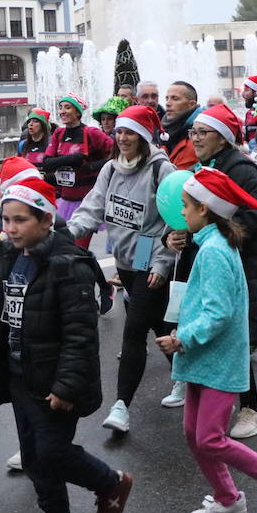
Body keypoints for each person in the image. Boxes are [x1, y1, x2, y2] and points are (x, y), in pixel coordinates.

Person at [0, 177, 133, 513]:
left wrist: (66, 386)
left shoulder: (69, 265)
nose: (10, 228)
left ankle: (109, 482)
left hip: (52, 380)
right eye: (6, 219)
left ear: (47, 220)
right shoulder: (10, 256)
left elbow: (80, 334)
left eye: (20, 220)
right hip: (20, 374)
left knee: (52, 452)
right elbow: (7, 318)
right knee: (33, 457)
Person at [157, 168, 257, 513]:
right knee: (195, 435)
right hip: (204, 358)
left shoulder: (215, 252)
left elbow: (218, 314)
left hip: (217, 360)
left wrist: (182, 338)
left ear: (205, 209)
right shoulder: (211, 245)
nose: (182, 213)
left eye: (186, 206)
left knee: (208, 437)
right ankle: (227, 500)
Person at [65, 106, 175, 433]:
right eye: (120, 132)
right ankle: (188, 378)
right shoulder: (112, 169)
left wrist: (161, 261)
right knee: (158, 322)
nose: (123, 137)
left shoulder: (161, 170)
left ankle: (121, 406)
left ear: (144, 136)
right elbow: (93, 207)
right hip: (125, 257)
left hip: (147, 252)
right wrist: (68, 232)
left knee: (135, 329)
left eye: (130, 132)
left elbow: (174, 222)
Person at [167, 104, 257, 439]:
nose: (194, 138)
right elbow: (191, 212)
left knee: (234, 337)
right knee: (215, 332)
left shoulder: (241, 168)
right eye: (192, 132)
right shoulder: (205, 166)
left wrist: (219, 232)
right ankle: (204, 397)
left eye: (202, 132)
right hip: (207, 256)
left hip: (236, 261)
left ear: (223, 138)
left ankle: (251, 409)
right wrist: (180, 233)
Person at [40, 94, 114, 246]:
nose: (62, 111)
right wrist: (75, 159)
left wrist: (93, 166)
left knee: (78, 248)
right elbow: (46, 163)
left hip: (86, 202)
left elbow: (116, 153)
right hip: (65, 201)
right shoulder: (58, 134)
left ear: (78, 112)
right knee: (61, 248)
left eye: (67, 107)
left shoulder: (91, 133)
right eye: (60, 107)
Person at [162, 81, 202, 169]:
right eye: (167, 98)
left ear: (191, 104)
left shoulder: (202, 136)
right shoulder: (161, 134)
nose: (167, 103)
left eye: (175, 98)